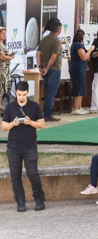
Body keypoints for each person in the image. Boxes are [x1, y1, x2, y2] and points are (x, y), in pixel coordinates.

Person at [2, 81, 46, 212]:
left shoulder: (35, 106)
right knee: (15, 174)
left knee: (32, 173)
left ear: (28, 93)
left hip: (30, 146)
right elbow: (4, 126)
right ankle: (20, 200)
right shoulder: (10, 107)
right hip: (13, 147)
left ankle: (39, 198)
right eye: (19, 94)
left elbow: (42, 124)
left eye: (24, 94)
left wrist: (30, 122)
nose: (21, 97)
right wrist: (13, 124)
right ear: (15, 93)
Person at [35, 18, 63, 122]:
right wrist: (47, 68)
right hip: (54, 69)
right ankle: (48, 114)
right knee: (51, 92)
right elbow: (54, 56)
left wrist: (40, 67)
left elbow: (38, 54)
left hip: (44, 70)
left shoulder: (44, 39)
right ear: (59, 29)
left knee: (48, 92)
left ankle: (47, 113)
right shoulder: (56, 41)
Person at [67, 29, 90, 115]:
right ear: (82, 36)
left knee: (81, 87)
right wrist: (90, 50)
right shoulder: (78, 45)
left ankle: (79, 107)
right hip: (78, 69)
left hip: (79, 68)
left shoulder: (74, 45)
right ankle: (75, 108)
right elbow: (83, 57)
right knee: (78, 88)